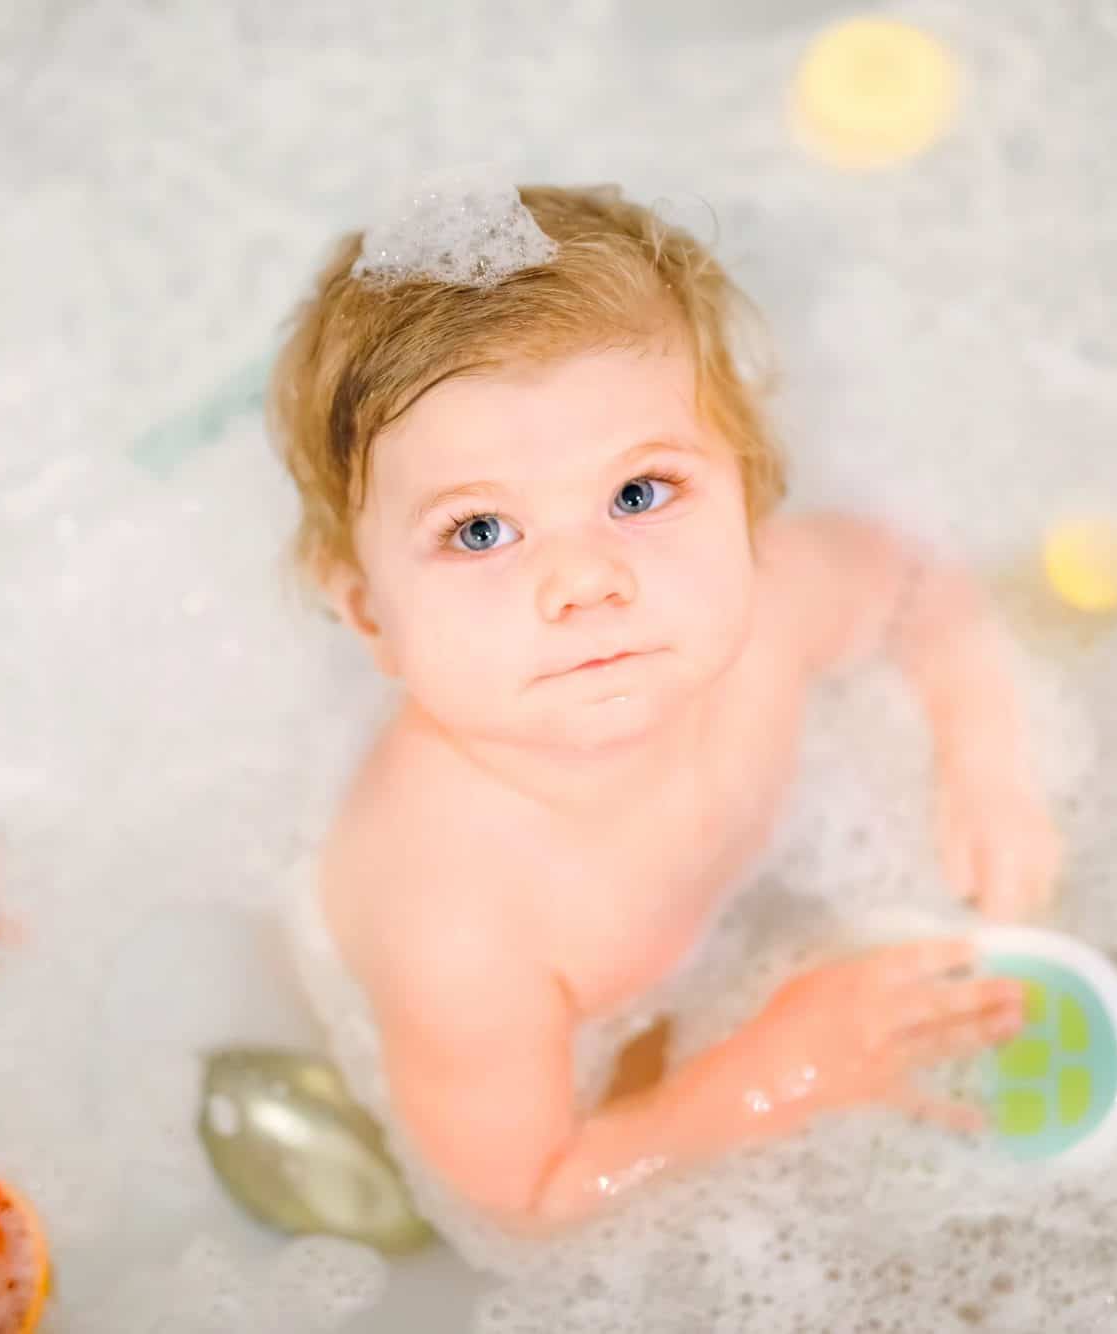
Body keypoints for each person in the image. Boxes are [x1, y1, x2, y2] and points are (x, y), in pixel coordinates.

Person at [268, 183, 1060, 1233]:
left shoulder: (769, 606)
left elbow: (911, 583)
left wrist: (985, 762)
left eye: (638, 494)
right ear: (370, 612)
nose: (585, 579)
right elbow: (527, 1195)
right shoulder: (455, 921)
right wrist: (773, 1070)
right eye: (479, 531)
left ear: (747, 492)